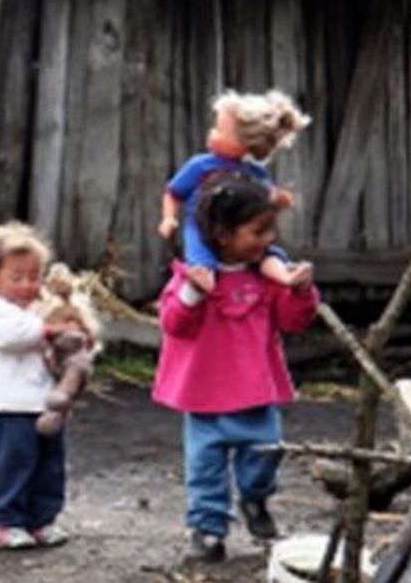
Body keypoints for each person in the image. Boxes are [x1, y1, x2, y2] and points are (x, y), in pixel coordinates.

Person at [154, 172, 321, 563]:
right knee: (205, 469)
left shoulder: (265, 279)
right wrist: (193, 294)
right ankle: (208, 530)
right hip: (204, 395)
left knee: (264, 455)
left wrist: (301, 290)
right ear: (223, 235)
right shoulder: (191, 277)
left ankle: (256, 498)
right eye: (257, 231)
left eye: (270, 231)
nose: (268, 241)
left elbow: (294, 321)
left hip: (255, 393)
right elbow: (174, 325)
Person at [0, 222, 78, 551]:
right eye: (16, 278)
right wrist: (51, 329)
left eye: (34, 277)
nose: (27, 285)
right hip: (10, 403)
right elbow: (17, 336)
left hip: (44, 403)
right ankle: (4, 520)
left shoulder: (36, 311)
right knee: (13, 460)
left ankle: (41, 518)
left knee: (49, 462)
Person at [158, 89, 311, 293]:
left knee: (270, 254)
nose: (212, 133)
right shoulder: (201, 166)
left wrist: (278, 200)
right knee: (200, 258)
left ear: (247, 142)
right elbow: (173, 193)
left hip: (240, 237)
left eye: (220, 130)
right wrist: (168, 218)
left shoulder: (255, 174)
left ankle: (286, 277)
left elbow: (265, 202)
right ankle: (203, 287)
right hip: (203, 229)